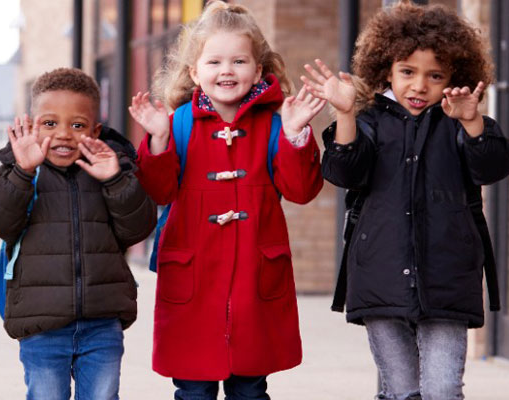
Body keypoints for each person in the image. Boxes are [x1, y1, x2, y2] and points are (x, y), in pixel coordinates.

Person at [302, 3, 508, 399]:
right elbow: (344, 173)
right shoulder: (368, 120)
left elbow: (492, 168)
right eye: (407, 72)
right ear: (386, 70)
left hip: (448, 276)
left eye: (435, 76)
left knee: (443, 389)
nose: (419, 86)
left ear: (455, 77)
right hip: (379, 276)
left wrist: (471, 122)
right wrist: (345, 114)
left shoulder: (461, 120)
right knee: (399, 390)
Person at [128, 1, 327, 398]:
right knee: (193, 390)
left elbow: (301, 191)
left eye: (239, 61)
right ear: (193, 71)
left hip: (255, 281)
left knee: (250, 389)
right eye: (214, 62)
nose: (226, 71)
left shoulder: (274, 124)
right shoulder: (177, 124)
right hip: (193, 282)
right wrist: (159, 140)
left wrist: (294, 136)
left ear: (258, 70)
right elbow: (160, 192)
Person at [0, 67, 156, 399]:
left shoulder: (114, 167)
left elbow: (138, 228)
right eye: (49, 123)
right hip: (41, 323)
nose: (63, 134)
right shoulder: (18, 169)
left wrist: (115, 180)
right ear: (32, 126)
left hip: (102, 320)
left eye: (77, 125)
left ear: (96, 130)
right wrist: (22, 172)